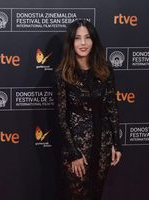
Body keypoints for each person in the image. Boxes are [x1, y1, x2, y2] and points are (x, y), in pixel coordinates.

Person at [55, 19, 122, 200]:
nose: (83, 43)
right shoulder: (63, 73)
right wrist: (74, 153)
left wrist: (117, 143)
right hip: (78, 147)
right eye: (77, 38)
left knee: (96, 194)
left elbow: (111, 108)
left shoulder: (105, 69)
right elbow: (61, 117)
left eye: (87, 37)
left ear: (94, 41)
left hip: (103, 144)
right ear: (71, 42)